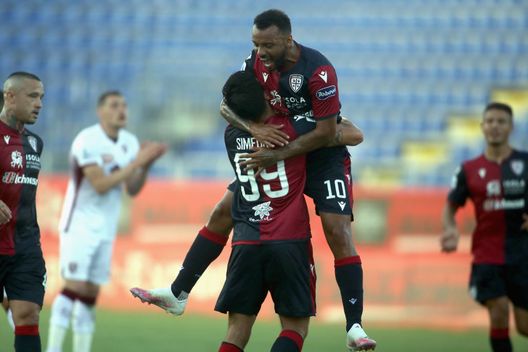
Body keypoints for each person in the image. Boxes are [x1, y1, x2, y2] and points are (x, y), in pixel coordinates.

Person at [131, 9, 375, 351]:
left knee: (337, 229)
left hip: (318, 155)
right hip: (277, 144)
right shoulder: (256, 62)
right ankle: (178, 292)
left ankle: (354, 326)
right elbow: (226, 105)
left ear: (288, 41)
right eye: (255, 44)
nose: (260, 53)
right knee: (222, 211)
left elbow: (336, 132)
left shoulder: (318, 71)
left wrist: (279, 150)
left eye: (267, 45)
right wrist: (255, 128)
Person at [45, 91, 166, 352]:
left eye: (124, 105)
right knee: (74, 286)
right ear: (100, 111)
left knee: (89, 293)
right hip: (78, 224)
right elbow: (99, 184)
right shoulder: (87, 140)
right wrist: (136, 162)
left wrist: (144, 166)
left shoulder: (130, 142)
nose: (121, 110)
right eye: (114, 105)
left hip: (106, 228)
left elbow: (131, 189)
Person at [220, 70, 316, 351]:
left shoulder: (231, 134)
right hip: (289, 238)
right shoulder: (290, 128)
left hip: (246, 239)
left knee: (237, 329)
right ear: (265, 94)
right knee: (295, 327)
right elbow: (343, 132)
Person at [441, 102, 528, 352]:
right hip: (487, 255)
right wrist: (450, 229)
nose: (495, 126)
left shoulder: (525, 163)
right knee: (498, 309)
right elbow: (450, 205)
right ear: (482, 127)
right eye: (490, 121)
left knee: (524, 326)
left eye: (501, 121)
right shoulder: (468, 170)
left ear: (510, 127)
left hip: (522, 255)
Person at [0, 71, 46, 351]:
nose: (39, 103)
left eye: (41, 97)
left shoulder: (35, 143)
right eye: (32, 96)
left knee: (28, 315)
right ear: (10, 96)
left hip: (25, 245)